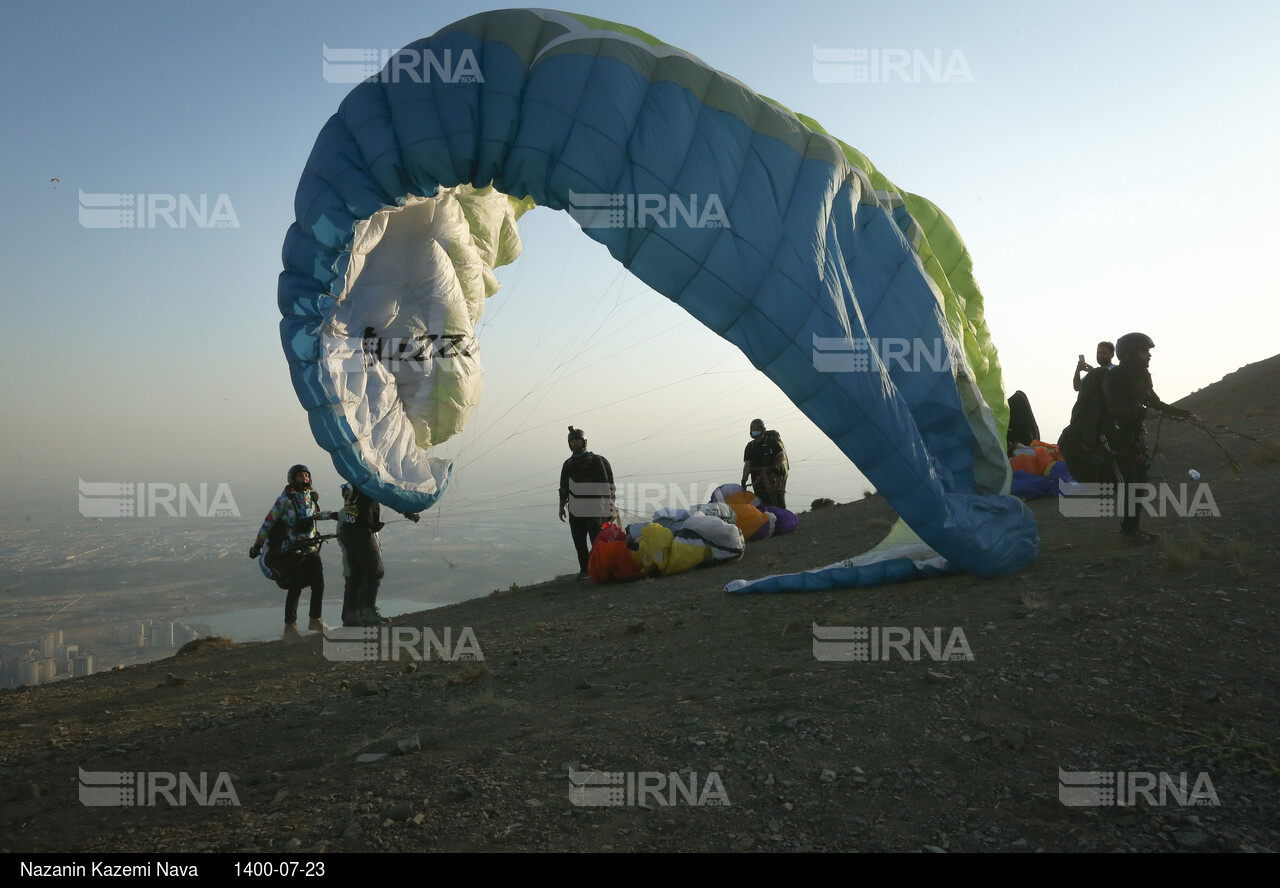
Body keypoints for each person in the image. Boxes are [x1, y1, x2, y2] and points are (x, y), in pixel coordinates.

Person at [1101, 333, 1202, 543]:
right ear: (1130, 353)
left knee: (1139, 481)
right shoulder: (1114, 376)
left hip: (1133, 436)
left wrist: (1186, 414)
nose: (1149, 355)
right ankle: (1127, 532)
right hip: (1113, 436)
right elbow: (1114, 406)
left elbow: (1156, 403)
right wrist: (1141, 412)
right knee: (1128, 482)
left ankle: (1133, 530)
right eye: (1144, 351)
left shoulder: (1143, 376)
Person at [249, 465, 339, 637]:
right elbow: (269, 522)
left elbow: (316, 515)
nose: (304, 478)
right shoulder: (285, 500)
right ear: (292, 479)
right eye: (300, 476)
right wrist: (258, 545)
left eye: (306, 475)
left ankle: (315, 620)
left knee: (318, 583)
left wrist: (334, 515)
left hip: (311, 548)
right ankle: (290, 627)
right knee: (295, 587)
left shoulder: (311, 497)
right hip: (292, 550)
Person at [338, 482, 420, 627]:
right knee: (375, 569)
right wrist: (408, 512)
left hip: (348, 530)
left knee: (356, 573)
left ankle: (352, 615)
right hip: (360, 531)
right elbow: (389, 498)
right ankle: (367, 613)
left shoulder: (354, 481)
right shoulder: (369, 483)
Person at [558, 426, 615, 579]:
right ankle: (585, 570)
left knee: (596, 539)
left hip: (594, 508)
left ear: (584, 443)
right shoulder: (568, 464)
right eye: (572, 442)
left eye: (578, 441)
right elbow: (564, 487)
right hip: (575, 509)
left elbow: (605, 484)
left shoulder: (595, 460)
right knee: (579, 541)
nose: (575, 444)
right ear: (569, 444)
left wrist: (609, 506)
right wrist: (561, 506)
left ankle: (599, 568)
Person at [741, 418, 788, 508]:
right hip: (757, 480)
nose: (755, 431)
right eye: (753, 429)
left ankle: (782, 519)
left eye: (757, 429)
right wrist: (743, 481)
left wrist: (774, 466)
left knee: (778, 501)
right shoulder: (750, 446)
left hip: (773, 478)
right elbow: (747, 465)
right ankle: (766, 519)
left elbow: (782, 456)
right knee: (762, 502)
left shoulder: (771, 442)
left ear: (763, 430)